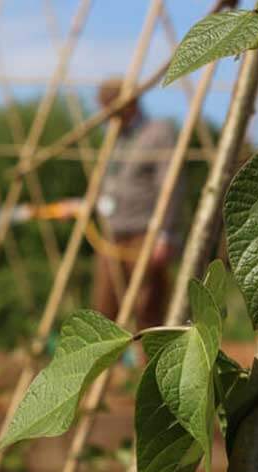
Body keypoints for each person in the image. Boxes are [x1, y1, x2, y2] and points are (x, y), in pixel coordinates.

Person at [92, 77, 184, 329]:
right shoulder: (115, 137)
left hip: (145, 235)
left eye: (110, 108)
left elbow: (170, 185)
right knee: (105, 306)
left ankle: (148, 365)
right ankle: (110, 369)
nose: (107, 116)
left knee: (148, 308)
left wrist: (164, 235)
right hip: (112, 233)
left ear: (128, 105)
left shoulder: (157, 133)